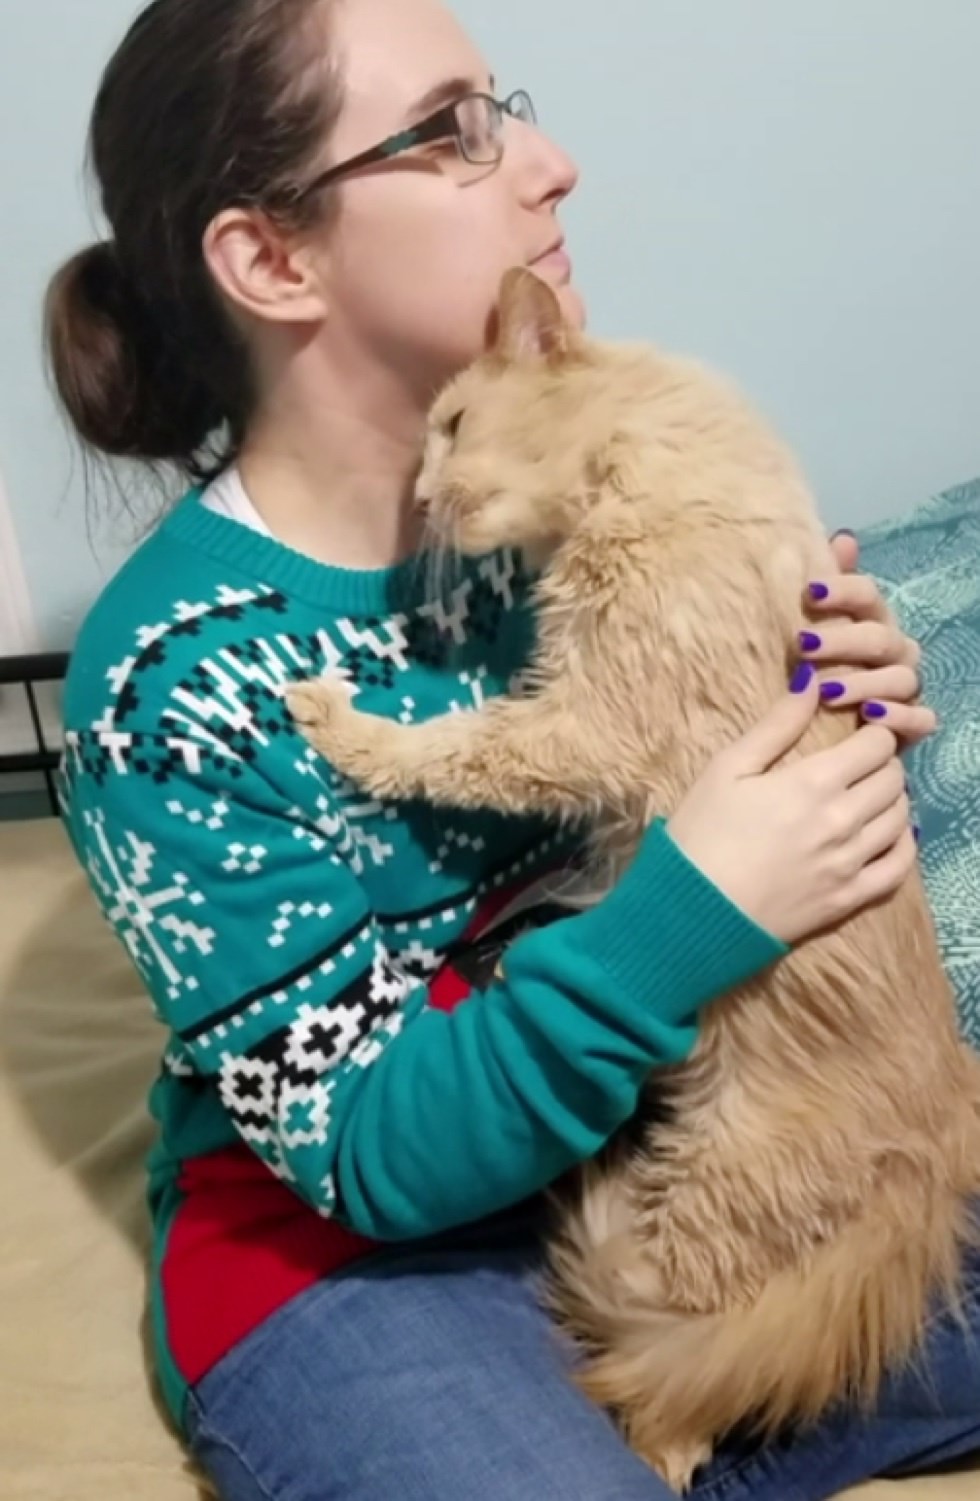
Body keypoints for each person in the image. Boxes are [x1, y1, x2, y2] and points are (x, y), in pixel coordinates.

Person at [46, 1, 980, 1498]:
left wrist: (829, 685)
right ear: (273, 260)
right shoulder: (166, 679)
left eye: (509, 107)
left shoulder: (567, 488)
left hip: (661, 1139)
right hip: (364, 1240)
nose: (552, 164)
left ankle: (680, 1414)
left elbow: (697, 759)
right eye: (455, 131)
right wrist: (694, 908)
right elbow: (371, 1153)